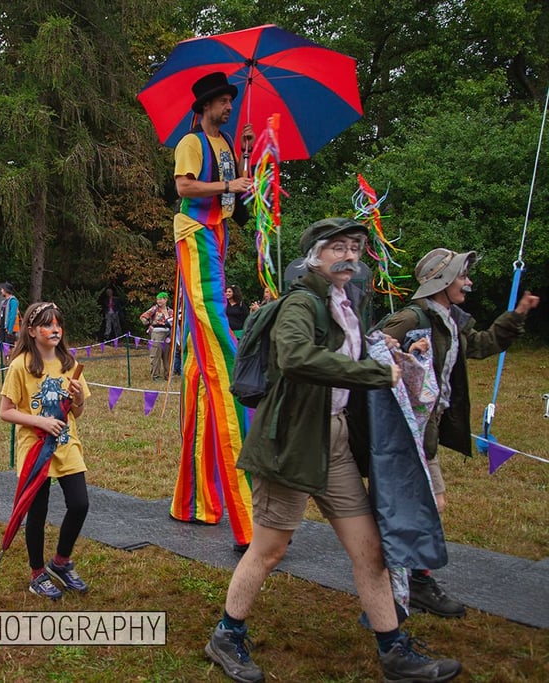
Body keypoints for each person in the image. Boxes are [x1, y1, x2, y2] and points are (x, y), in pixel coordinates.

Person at [204, 218, 461, 683]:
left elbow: (345, 354)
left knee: (370, 550)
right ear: (314, 257)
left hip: (336, 440)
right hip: (291, 441)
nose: (349, 256)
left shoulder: (345, 303)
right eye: (337, 248)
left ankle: (394, 651)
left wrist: (382, 349)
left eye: (355, 248)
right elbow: (295, 357)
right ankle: (226, 633)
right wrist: (372, 374)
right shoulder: (302, 302)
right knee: (269, 549)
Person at [382, 248, 539, 619]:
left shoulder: (453, 321)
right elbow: (372, 352)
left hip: (427, 431)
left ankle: (408, 578)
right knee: (424, 505)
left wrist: (516, 316)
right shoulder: (411, 318)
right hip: (405, 431)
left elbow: (483, 345)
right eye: (461, 276)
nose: (468, 282)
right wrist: (400, 354)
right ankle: (407, 580)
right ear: (441, 282)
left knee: (424, 505)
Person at [168, 72, 255, 542]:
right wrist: (226, 184)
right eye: (223, 101)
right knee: (221, 351)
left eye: (229, 101)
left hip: (218, 238)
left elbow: (236, 203)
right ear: (205, 105)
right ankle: (235, 507)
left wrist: (244, 175)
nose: (228, 106)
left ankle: (195, 500)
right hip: (195, 235)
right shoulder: (192, 141)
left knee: (201, 378)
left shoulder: (226, 146)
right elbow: (183, 189)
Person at [0, 302, 91, 601]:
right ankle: (37, 573)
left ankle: (61, 562)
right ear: (31, 330)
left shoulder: (68, 363)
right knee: (37, 513)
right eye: (47, 325)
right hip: (36, 450)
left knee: (79, 504)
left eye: (58, 325)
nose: (55, 330)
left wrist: (78, 400)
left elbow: (77, 411)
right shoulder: (20, 366)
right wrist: (38, 420)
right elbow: (6, 411)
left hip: (67, 445)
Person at [139, 292, 174, 380]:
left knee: (167, 355)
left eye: (161, 299)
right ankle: (155, 375)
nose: (159, 301)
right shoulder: (154, 309)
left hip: (168, 334)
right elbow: (143, 317)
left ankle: (168, 375)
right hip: (157, 333)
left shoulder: (171, 311)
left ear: (166, 299)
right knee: (156, 354)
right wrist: (148, 324)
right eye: (158, 299)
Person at [0, 283, 19, 348]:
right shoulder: (3, 302)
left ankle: (11, 358)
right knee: (2, 346)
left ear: (6, 290)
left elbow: (12, 315)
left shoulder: (13, 301)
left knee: (9, 347)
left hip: (8, 328)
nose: (1, 291)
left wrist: (10, 329)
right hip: (2, 328)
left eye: (2, 289)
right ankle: (3, 358)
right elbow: (1, 315)